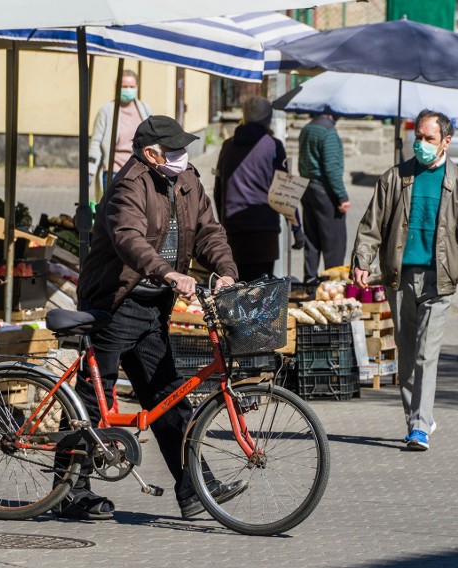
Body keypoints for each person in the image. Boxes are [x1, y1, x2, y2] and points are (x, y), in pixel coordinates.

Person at [58, 115, 245, 520]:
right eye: (174, 150)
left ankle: (194, 487)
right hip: (115, 300)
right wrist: (169, 272)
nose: (183, 156)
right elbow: (128, 238)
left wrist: (226, 270)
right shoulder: (131, 183)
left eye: (183, 148)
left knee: (166, 394)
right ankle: (70, 492)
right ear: (150, 153)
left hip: (153, 305)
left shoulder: (187, 178)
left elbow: (209, 231)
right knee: (93, 399)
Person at [352, 110, 458, 452]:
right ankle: (417, 416)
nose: (422, 144)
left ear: (446, 141)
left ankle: (420, 426)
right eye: (419, 137)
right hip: (399, 278)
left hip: (439, 280)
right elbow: (372, 225)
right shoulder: (395, 178)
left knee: (427, 353)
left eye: (430, 138)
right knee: (408, 353)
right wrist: (362, 260)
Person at [214, 96, 305, 281]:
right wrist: (296, 228)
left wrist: (223, 223)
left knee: (237, 287)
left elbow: (218, 190)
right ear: (268, 119)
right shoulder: (273, 146)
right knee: (261, 290)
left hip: (234, 230)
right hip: (264, 231)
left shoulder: (227, 146)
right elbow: (284, 192)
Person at [298, 112, 350, 282]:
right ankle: (332, 286)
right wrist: (342, 196)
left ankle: (310, 284)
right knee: (334, 245)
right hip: (325, 193)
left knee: (311, 242)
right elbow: (332, 169)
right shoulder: (328, 133)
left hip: (308, 188)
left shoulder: (307, 128)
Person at [88, 69, 153, 199]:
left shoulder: (144, 109)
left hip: (138, 171)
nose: (128, 90)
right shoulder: (107, 111)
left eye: (131, 87)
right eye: (124, 86)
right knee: (114, 213)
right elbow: (96, 142)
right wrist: (90, 171)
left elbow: (152, 138)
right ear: (117, 87)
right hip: (113, 172)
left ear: (137, 87)